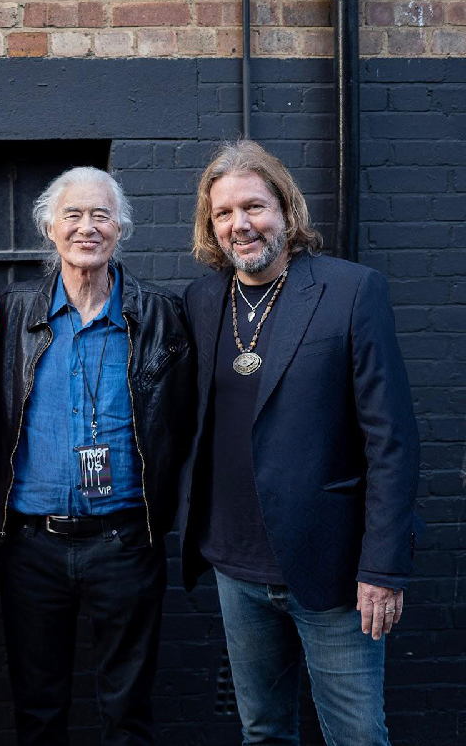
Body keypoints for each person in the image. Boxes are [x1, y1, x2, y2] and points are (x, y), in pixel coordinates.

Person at [178, 140, 420, 745]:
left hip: (332, 569)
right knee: (263, 732)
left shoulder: (350, 291)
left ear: (286, 208)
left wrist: (383, 566)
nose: (240, 225)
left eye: (254, 206)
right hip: (234, 564)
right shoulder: (204, 300)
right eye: (224, 214)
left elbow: (391, 440)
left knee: (358, 737)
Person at [0, 166, 194, 745]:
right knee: (38, 711)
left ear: (121, 228)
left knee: (128, 713)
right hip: (31, 547)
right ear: (49, 228)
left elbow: (185, 421)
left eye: (101, 214)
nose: (87, 227)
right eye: (73, 215)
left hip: (126, 543)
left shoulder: (162, 315)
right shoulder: (9, 316)